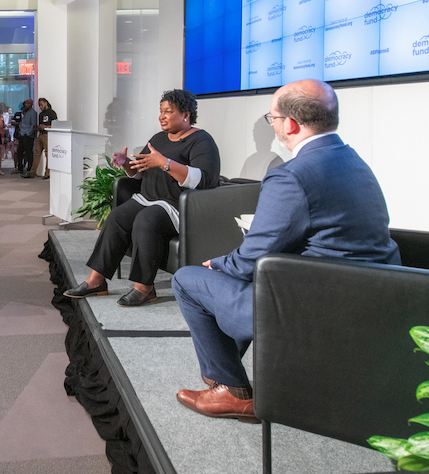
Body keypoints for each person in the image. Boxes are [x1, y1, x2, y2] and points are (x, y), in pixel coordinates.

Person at [170, 80, 401, 422]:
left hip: (309, 306)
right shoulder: (354, 162)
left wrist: (215, 263)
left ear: (290, 124)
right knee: (226, 278)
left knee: (189, 278)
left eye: (272, 117)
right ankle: (229, 378)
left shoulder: (291, 176)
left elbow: (250, 261)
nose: (273, 125)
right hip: (369, 297)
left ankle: (230, 388)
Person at [65, 89, 222, 307]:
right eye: (160, 111)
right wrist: (127, 163)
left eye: (168, 111)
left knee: (146, 219)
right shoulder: (157, 139)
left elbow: (204, 179)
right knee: (118, 216)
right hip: (148, 198)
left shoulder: (201, 141)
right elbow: (141, 172)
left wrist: (166, 163)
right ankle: (96, 281)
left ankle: (144, 288)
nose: (162, 116)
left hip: (178, 206)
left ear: (186, 114)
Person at [30, 97, 57, 179]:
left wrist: (45, 127)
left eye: (41, 105)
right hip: (40, 134)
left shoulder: (52, 113)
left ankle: (47, 173)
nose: (40, 107)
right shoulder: (41, 114)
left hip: (47, 134)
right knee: (36, 153)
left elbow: (55, 126)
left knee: (48, 154)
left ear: (46, 103)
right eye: (39, 106)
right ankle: (32, 172)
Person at [16, 99, 38, 178]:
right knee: (19, 151)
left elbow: (33, 124)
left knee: (28, 152)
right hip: (22, 133)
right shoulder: (24, 112)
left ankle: (29, 168)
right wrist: (21, 131)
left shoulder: (33, 113)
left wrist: (28, 133)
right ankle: (20, 168)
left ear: (31, 104)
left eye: (29, 103)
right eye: (26, 103)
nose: (27, 105)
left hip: (28, 135)